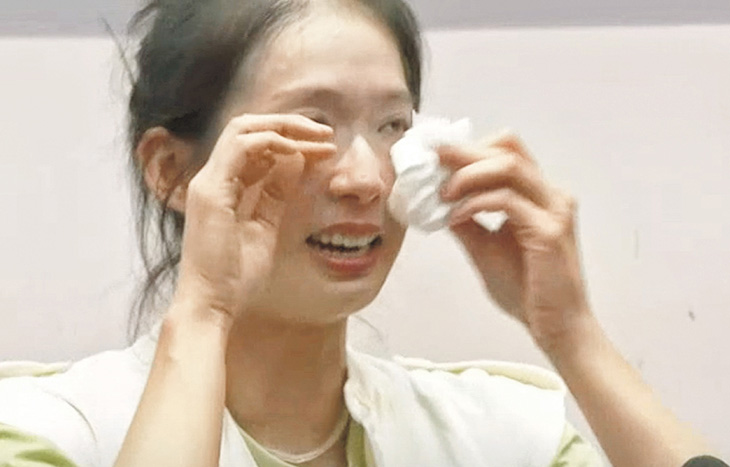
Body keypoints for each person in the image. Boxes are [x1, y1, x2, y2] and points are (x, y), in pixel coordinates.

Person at [0, 0, 720, 466]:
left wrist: (569, 333)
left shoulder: (499, 434)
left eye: (393, 126)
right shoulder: (56, 431)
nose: (367, 179)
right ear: (171, 169)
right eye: (312, 125)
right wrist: (203, 313)